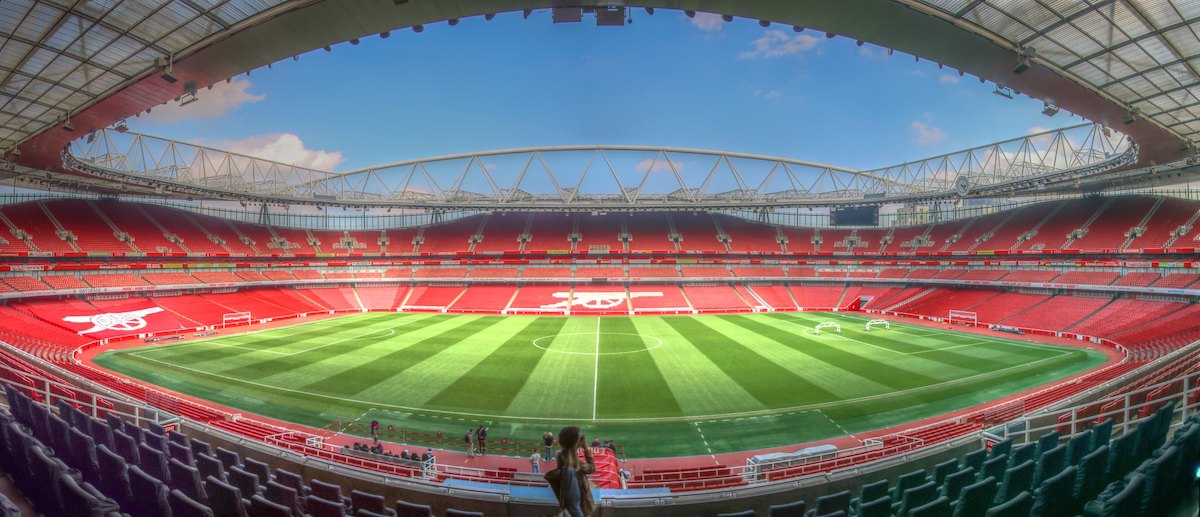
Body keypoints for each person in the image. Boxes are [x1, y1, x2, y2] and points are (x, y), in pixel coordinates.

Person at [550, 426, 595, 517]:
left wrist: (577, 444)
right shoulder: (574, 466)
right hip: (582, 510)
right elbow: (592, 468)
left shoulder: (559, 455)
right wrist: (585, 448)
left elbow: (568, 449)